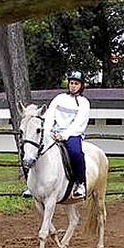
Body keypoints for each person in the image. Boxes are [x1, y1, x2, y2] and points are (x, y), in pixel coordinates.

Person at [36, 70, 91, 199]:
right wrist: (48, 131)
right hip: (54, 132)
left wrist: (64, 135)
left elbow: (79, 123)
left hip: (72, 134)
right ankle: (32, 184)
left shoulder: (84, 103)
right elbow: (50, 116)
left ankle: (80, 183)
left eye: (76, 83)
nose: (73, 86)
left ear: (81, 86)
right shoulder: (59, 98)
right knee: (36, 150)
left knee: (76, 153)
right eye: (71, 83)